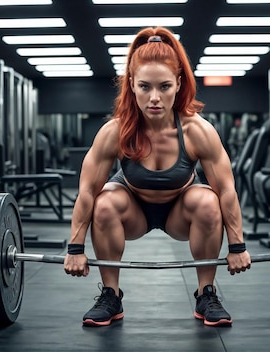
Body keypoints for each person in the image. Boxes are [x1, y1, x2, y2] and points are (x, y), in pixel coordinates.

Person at [63, 26, 251, 327]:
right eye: (144, 87)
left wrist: (237, 246)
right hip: (133, 212)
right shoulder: (115, 131)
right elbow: (86, 190)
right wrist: (75, 248)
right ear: (131, 85)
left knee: (208, 199)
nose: (154, 98)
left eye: (163, 86)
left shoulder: (197, 130)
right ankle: (110, 295)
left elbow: (227, 189)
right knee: (104, 200)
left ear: (178, 83)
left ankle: (206, 294)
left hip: (180, 213)